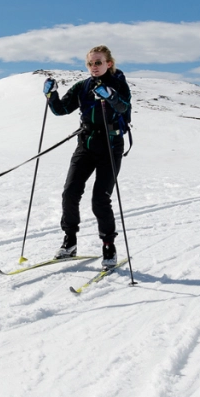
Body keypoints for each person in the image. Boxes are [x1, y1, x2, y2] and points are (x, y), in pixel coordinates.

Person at [42, 45, 131, 269]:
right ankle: (70, 241)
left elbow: (124, 108)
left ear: (109, 63)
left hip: (111, 145)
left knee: (100, 199)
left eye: (98, 62)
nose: (94, 67)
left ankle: (108, 246)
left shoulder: (118, 83)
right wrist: (51, 95)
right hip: (86, 144)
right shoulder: (83, 86)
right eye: (90, 63)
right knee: (70, 193)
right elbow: (61, 109)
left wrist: (110, 96)